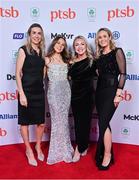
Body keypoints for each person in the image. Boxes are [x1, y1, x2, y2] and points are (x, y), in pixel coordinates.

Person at [95, 28, 126, 170]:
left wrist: (118, 94)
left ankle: (107, 155)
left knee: (103, 122)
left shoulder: (117, 52)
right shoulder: (99, 56)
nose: (102, 39)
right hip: (99, 93)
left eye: (104, 36)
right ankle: (107, 153)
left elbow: (123, 74)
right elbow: (97, 74)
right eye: (99, 37)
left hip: (112, 92)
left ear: (109, 37)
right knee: (104, 123)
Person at [16, 23, 46, 166]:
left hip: (39, 91)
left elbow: (43, 73)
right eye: (33, 33)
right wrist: (21, 93)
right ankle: (28, 149)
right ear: (29, 35)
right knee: (25, 122)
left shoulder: (42, 52)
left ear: (41, 36)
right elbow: (17, 74)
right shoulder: (23, 50)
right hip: (26, 91)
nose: (36, 35)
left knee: (40, 123)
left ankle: (38, 146)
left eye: (39, 33)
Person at [45, 36, 74, 165]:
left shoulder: (66, 60)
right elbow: (41, 78)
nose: (60, 46)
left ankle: (65, 149)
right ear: (54, 43)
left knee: (64, 120)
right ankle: (56, 151)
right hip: (54, 93)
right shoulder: (46, 59)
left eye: (63, 44)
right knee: (57, 121)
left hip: (66, 92)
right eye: (58, 43)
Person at [68, 35, 95, 162]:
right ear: (74, 47)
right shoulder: (71, 63)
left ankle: (81, 147)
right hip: (75, 97)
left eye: (82, 44)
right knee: (78, 123)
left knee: (86, 122)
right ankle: (81, 147)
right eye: (77, 45)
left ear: (86, 46)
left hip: (88, 96)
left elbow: (103, 76)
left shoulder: (92, 61)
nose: (79, 47)